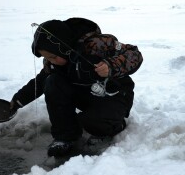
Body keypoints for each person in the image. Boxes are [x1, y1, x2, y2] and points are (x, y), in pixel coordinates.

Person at [9, 18, 143, 157]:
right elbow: (41, 80)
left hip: (115, 96)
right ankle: (65, 136)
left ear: (63, 46)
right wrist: (18, 100)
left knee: (92, 121)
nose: (50, 61)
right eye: (47, 58)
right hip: (88, 95)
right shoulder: (56, 61)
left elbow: (134, 54)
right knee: (53, 81)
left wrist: (111, 66)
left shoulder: (96, 45)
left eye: (53, 57)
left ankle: (114, 126)